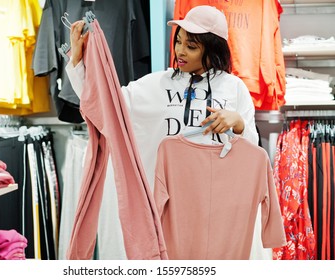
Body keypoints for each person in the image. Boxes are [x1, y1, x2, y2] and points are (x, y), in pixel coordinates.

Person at [66, 5, 267, 259]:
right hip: (168, 212)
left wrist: (238, 123)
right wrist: (78, 61)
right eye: (179, 42)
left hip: (219, 213)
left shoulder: (235, 88)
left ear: (212, 49)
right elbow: (107, 105)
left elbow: (254, 152)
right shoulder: (157, 84)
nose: (180, 51)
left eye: (191, 46)